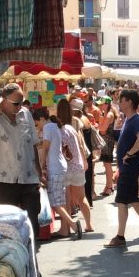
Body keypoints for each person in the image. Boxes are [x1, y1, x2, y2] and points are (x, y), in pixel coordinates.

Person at [0, 83, 42, 236]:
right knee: (5, 225)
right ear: (4, 101)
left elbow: (33, 144)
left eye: (22, 101)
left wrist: (39, 171)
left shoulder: (26, 113)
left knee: (32, 223)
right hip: (4, 180)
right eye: (16, 103)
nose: (20, 106)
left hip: (29, 178)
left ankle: (31, 255)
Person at [105, 89, 139, 247]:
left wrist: (129, 153)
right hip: (126, 166)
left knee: (125, 200)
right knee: (129, 200)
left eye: (121, 100)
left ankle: (123, 236)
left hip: (130, 165)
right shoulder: (129, 119)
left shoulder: (136, 120)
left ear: (129, 102)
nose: (119, 102)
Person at [38, 104, 80, 240]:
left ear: (41, 119)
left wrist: (41, 167)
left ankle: (72, 224)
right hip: (60, 167)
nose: (36, 126)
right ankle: (65, 229)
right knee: (59, 201)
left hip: (55, 168)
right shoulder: (54, 126)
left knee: (54, 202)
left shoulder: (48, 127)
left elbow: (45, 149)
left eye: (36, 122)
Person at [60, 99, 93, 233]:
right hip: (77, 165)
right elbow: (80, 144)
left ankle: (66, 228)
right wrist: (84, 160)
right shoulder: (75, 125)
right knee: (82, 197)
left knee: (66, 199)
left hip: (66, 167)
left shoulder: (58, 127)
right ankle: (89, 225)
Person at [71, 98, 97, 207]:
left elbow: (79, 141)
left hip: (82, 152)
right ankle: (87, 201)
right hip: (87, 151)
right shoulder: (85, 118)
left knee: (82, 180)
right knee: (87, 177)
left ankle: (80, 203)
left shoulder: (77, 121)